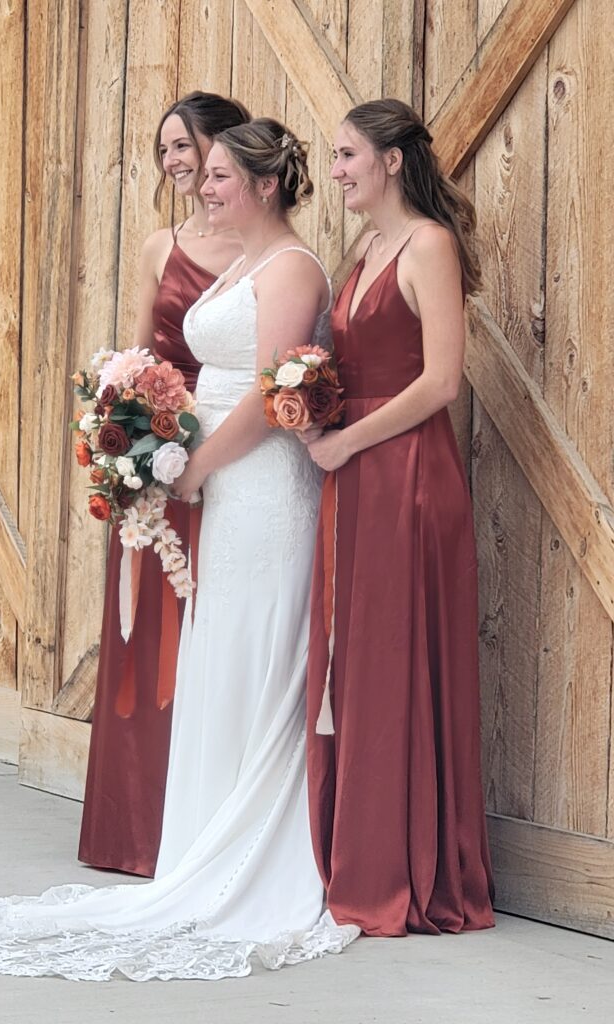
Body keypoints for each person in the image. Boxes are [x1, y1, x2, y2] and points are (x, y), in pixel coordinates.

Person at [0, 118, 357, 981]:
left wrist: (190, 468)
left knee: (257, 645)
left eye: (224, 176)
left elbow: (274, 397)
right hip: (221, 483)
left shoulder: (293, 270)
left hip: (265, 489)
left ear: (267, 185)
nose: (205, 187)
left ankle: (254, 845)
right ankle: (199, 838)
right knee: (219, 643)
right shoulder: (235, 264)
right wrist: (144, 426)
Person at [304, 98, 495, 936]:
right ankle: (356, 851)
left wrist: (350, 444)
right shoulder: (364, 249)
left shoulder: (429, 246)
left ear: (390, 161)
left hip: (411, 471)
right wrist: (312, 411)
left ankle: (406, 867)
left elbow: (441, 383)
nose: (337, 169)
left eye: (347, 155)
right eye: (335, 156)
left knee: (397, 657)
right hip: (355, 469)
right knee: (358, 664)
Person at [79, 91, 249, 878]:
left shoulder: (265, 250)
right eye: (167, 152)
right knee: (145, 632)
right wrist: (130, 441)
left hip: (234, 458)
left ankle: (209, 821)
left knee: (217, 631)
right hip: (156, 458)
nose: (179, 164)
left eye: (189, 147)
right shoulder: (160, 246)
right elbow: (138, 357)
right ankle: (136, 828)